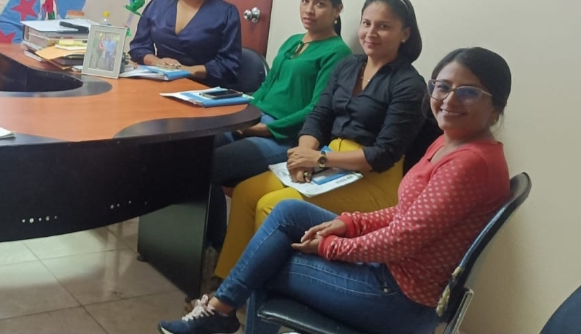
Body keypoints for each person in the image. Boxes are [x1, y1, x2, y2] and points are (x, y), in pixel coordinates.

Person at [159, 47, 514, 334]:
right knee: (287, 211)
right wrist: (349, 223)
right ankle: (220, 311)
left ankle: (219, 311)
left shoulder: (470, 163)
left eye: (468, 92)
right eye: (443, 86)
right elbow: (405, 213)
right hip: (392, 272)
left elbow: (403, 238)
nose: (449, 99)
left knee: (268, 261)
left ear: (496, 107)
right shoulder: (450, 143)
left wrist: (332, 247)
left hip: (397, 295)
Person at [213, 0, 427, 281]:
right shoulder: (349, 66)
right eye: (366, 23)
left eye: (384, 26)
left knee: (272, 205)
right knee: (246, 192)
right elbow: (319, 116)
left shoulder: (409, 84)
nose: (371, 33)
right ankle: (225, 280)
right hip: (328, 161)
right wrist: (304, 155)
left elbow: (383, 155)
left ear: (405, 34)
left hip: (372, 179)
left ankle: (255, 290)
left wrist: (319, 160)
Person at [206, 0, 352, 248]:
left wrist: (264, 128)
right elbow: (265, 88)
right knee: (195, 148)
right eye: (305, 1)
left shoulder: (338, 52)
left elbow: (315, 110)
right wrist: (240, 115)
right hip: (252, 121)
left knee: (208, 165)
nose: (309, 9)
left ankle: (216, 244)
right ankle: (206, 239)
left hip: (284, 137)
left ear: (337, 10)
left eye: (320, 3)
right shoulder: (294, 41)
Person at [128, 0, 242, 88]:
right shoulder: (158, 4)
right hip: (158, 83)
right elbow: (139, 47)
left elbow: (229, 65)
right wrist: (157, 62)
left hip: (202, 90)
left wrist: (187, 70)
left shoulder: (226, 13)